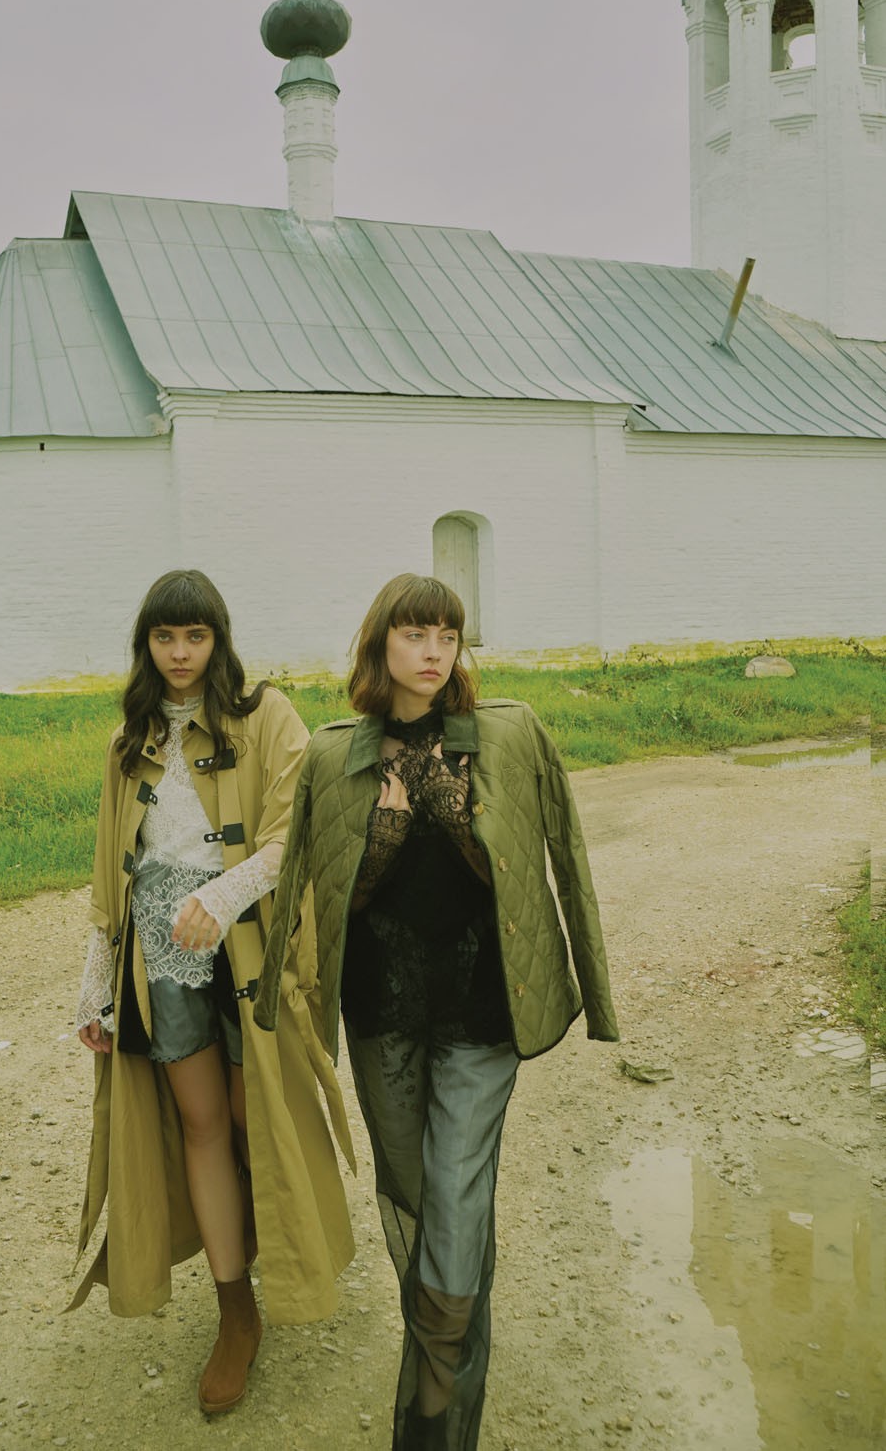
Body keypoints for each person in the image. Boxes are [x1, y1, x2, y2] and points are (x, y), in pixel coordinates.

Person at [255, 573, 619, 1450]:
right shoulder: (337, 756)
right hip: (383, 1006)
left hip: (482, 1000)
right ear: (380, 643)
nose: (432, 653)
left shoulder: (509, 735)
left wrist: (461, 826)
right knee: (415, 1197)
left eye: (447, 637)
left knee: (455, 1188)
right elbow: (318, 889)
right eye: (415, 634)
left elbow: (556, 863)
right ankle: (447, 1365)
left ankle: (434, 1398)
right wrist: (380, 844)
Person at [70, 569, 354, 1415]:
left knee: (249, 1111)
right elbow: (109, 870)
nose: (180, 653)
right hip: (158, 953)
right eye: (165, 637)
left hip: (248, 945)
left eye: (195, 636)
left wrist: (223, 897)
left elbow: (292, 831)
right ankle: (236, 1311)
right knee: (198, 1123)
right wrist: (95, 984)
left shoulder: (266, 716)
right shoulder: (129, 741)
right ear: (146, 645)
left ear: (218, 640)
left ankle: (279, 1236)